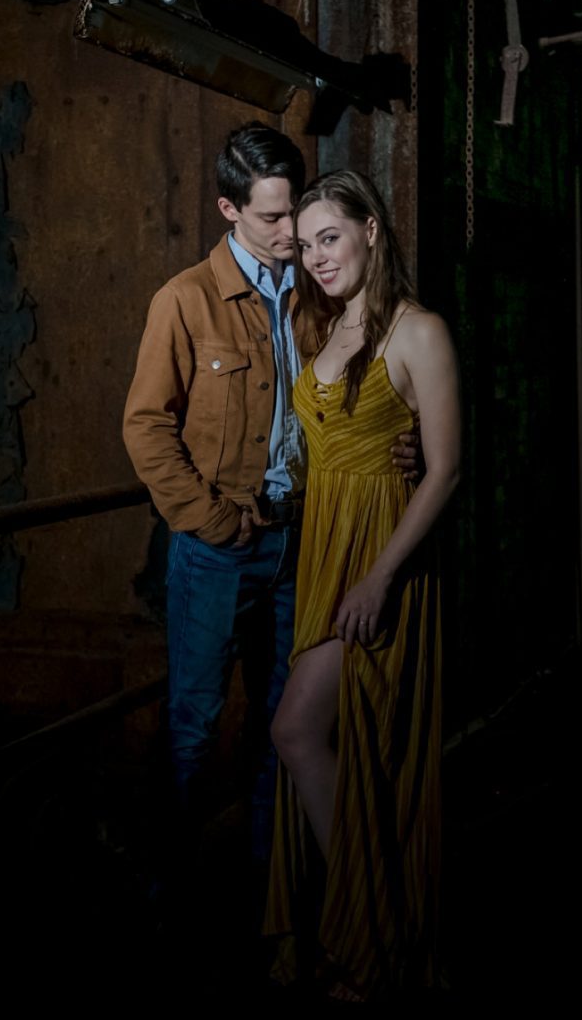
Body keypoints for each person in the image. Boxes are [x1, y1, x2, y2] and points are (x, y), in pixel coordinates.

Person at [121, 125, 419, 879]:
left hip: (304, 542)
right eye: (273, 217)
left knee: (282, 725)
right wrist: (214, 522)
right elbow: (146, 426)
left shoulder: (320, 293)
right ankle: (167, 893)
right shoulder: (185, 300)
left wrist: (404, 444)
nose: (293, 232)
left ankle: (268, 890)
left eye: (297, 211)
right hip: (218, 550)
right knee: (194, 726)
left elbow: (359, 399)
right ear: (230, 209)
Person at [264, 169, 461, 1000]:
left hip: (380, 559)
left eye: (330, 238)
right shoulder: (321, 322)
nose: (316, 257)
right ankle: (374, 934)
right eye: (305, 246)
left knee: (299, 730)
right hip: (323, 550)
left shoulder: (421, 332)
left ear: (372, 231)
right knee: (336, 744)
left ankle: (371, 936)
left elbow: (445, 469)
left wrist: (381, 578)